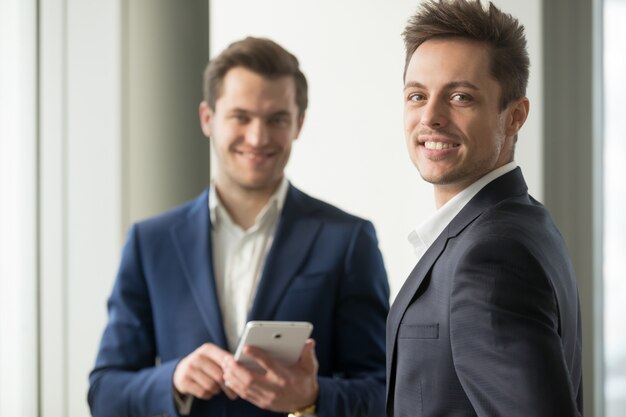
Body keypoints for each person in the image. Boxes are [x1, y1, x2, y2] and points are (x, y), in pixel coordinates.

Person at [88, 36, 389, 417]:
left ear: (298, 123)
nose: (258, 137)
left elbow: (385, 391)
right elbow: (105, 392)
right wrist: (174, 380)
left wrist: (311, 397)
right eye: (241, 117)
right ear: (207, 119)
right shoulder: (151, 243)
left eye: (276, 119)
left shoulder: (347, 240)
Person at [386, 1, 583, 416]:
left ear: (514, 116)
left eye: (460, 97)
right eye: (417, 95)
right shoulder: (522, 220)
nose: (431, 117)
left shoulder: (490, 257)